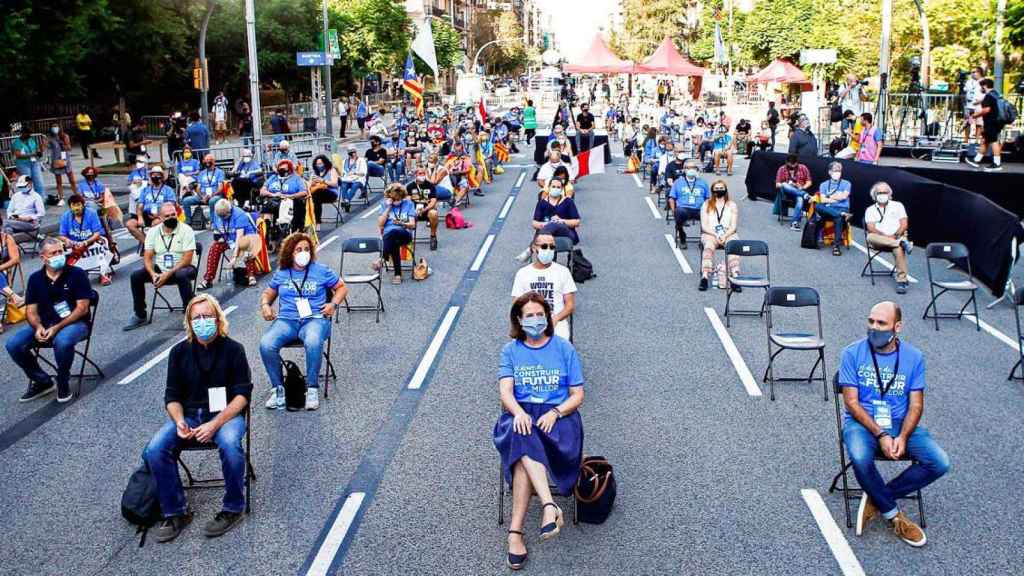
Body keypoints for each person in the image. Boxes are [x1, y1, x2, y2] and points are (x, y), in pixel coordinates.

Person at [143, 293, 253, 542]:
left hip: (224, 416)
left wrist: (215, 423)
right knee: (155, 449)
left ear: (218, 319)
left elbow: (242, 396)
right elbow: (171, 396)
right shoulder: (179, 352)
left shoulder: (234, 350)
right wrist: (179, 420)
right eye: (197, 318)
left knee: (230, 445)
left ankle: (233, 507)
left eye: (207, 316)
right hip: (191, 415)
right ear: (189, 322)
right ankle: (175, 511)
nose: (202, 321)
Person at [839, 301, 949, 547]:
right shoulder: (851, 353)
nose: (874, 328)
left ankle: (876, 496)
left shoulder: (914, 357)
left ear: (897, 327)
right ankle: (894, 515)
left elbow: (916, 405)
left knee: (940, 462)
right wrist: (881, 434)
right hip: (863, 425)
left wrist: (902, 436)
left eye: (881, 323)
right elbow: (852, 403)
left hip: (901, 424)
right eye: (871, 321)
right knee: (858, 454)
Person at [493, 291, 584, 570]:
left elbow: (577, 395)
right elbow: (505, 393)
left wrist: (556, 412)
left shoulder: (564, 348)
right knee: (522, 432)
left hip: (559, 417)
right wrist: (519, 412)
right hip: (522, 414)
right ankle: (548, 505)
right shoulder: (510, 351)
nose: (535, 320)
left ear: (547, 317)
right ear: (519, 321)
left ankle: (516, 533)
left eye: (539, 314)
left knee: (523, 450)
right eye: (529, 316)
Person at [259, 233, 346, 411]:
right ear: (290, 253)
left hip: (314, 319)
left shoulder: (321, 270)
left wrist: (333, 304)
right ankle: (278, 389)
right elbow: (268, 293)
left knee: (313, 341)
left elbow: (341, 287)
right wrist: (265, 305)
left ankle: (312, 388)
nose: (303, 252)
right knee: (266, 344)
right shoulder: (282, 273)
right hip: (287, 320)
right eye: (299, 249)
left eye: (307, 249)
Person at [5, 238, 91, 402]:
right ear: (43, 257)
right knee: (14, 344)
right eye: (53, 253)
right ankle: (42, 380)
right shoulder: (36, 279)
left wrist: (57, 327)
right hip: (45, 323)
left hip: (74, 323)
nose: (59, 255)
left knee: (63, 341)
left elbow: (82, 308)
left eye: (60, 252)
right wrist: (37, 327)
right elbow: (31, 310)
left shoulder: (76, 274)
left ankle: (63, 380)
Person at [124, 203, 198, 331]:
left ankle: (189, 311)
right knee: (136, 276)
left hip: (184, 267)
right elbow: (147, 257)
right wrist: (153, 274)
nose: (171, 218)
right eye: (167, 216)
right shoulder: (153, 232)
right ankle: (140, 314)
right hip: (161, 268)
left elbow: (187, 259)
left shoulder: (186, 230)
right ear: (160, 218)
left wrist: (167, 274)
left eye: (173, 214)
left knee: (181, 274)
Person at [511, 232, 577, 340]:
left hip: (555, 320)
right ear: (534, 248)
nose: (548, 250)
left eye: (552, 247)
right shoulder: (522, 273)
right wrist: (523, 322)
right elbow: (515, 303)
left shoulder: (563, 272)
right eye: (544, 246)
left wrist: (556, 318)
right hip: (530, 320)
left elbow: (570, 305)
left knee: (559, 344)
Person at [201, 199, 261, 290]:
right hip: (228, 238)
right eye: (220, 216)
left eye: (224, 216)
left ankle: (250, 275)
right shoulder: (217, 215)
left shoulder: (239, 214)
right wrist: (219, 237)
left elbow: (239, 238)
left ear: (230, 211)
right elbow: (217, 232)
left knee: (244, 246)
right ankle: (208, 279)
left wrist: (234, 257)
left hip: (245, 238)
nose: (222, 218)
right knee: (215, 247)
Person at [864, 182, 912, 294]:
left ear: (889, 194)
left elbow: (904, 223)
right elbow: (870, 227)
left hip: (897, 236)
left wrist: (895, 235)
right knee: (870, 236)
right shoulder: (870, 209)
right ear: (875, 195)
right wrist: (886, 236)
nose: (882, 194)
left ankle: (902, 281)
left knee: (898, 248)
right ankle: (901, 243)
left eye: (884, 192)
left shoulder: (898, 205)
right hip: (879, 239)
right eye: (879, 193)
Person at [58, 195, 113, 285]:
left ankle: (104, 274)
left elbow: (97, 233)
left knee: (98, 248)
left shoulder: (91, 213)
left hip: (92, 241)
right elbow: (62, 235)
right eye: (73, 205)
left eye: (78, 205)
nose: (76, 208)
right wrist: (68, 241)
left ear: (83, 205)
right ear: (70, 206)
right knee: (61, 250)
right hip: (75, 244)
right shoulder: (65, 216)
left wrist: (86, 242)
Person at [698, 181, 740, 291]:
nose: (719, 190)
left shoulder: (732, 205)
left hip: (728, 233)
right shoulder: (706, 204)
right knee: (708, 247)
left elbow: (733, 226)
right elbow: (704, 225)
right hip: (710, 233)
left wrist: (725, 236)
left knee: (734, 246)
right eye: (717, 188)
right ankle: (705, 277)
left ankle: (735, 276)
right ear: (712, 190)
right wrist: (716, 235)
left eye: (721, 188)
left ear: (725, 190)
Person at [376, 184, 417, 284]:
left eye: (398, 199)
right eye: (394, 199)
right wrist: (389, 207)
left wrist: (401, 223)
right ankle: (397, 274)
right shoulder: (384, 205)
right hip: (389, 237)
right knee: (393, 241)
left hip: (404, 234)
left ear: (402, 197)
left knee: (394, 232)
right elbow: (380, 224)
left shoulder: (409, 204)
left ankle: (382, 258)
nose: (396, 201)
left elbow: (412, 225)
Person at [127, 166, 177, 245]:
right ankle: (147, 244)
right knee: (130, 224)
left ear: (162, 176)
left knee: (155, 224)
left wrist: (159, 214)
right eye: (153, 175)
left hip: (161, 216)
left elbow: (171, 205)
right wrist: (140, 217)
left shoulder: (168, 190)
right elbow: (140, 205)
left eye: (157, 175)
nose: (155, 177)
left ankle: (154, 245)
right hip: (146, 214)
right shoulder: (145, 190)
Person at [965, 78, 1006, 171]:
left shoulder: (988, 96)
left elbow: (986, 110)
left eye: (981, 86)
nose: (980, 89)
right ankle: (976, 160)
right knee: (985, 140)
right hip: (997, 121)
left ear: (985, 86)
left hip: (991, 121)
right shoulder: (996, 94)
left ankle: (997, 163)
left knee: (994, 141)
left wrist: (974, 115)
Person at [668, 159, 710, 249]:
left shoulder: (703, 183)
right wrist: (673, 210)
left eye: (693, 167)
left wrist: (707, 209)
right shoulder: (678, 182)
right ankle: (682, 235)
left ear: (697, 170)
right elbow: (672, 198)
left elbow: (708, 198)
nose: (691, 169)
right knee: (678, 212)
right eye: (688, 168)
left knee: (707, 214)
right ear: (684, 170)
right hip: (684, 209)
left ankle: (703, 238)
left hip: (699, 209)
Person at [813, 162, 853, 256]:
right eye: (835, 170)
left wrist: (829, 197)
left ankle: (836, 246)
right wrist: (836, 197)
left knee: (837, 218)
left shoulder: (847, 183)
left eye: (839, 171)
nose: (837, 173)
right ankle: (841, 215)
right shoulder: (824, 184)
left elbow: (843, 197)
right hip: (828, 209)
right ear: (830, 172)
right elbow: (822, 199)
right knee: (818, 206)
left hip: (842, 208)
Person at [259, 159, 309, 233]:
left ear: (289, 169)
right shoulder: (273, 178)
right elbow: (262, 191)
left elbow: (304, 192)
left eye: (284, 169)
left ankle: (285, 228)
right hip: (274, 199)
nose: (281, 170)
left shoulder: (296, 178)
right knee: (267, 204)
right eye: (280, 168)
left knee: (286, 204)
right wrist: (273, 194)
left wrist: (290, 196)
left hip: (291, 201)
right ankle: (268, 226)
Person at [183, 153, 226, 223]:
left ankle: (213, 222)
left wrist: (211, 195)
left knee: (212, 201)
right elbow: (198, 188)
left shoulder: (219, 172)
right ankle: (188, 221)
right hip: (202, 195)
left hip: (215, 195)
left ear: (214, 161)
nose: (207, 162)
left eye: (209, 160)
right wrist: (202, 197)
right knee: (186, 201)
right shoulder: (202, 173)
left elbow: (220, 188)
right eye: (206, 160)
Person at [775, 153, 813, 231]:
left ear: (797, 162)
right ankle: (805, 195)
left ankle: (794, 223)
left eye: (794, 166)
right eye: (790, 166)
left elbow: (809, 181)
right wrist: (786, 184)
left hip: (799, 190)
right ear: (786, 162)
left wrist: (802, 187)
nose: (792, 167)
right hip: (787, 193)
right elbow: (777, 184)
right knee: (785, 184)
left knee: (800, 199)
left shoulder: (803, 168)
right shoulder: (782, 169)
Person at [406, 168, 440, 250]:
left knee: (434, 214)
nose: (422, 175)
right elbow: (408, 201)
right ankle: (407, 238)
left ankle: (433, 236)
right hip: (414, 211)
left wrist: (425, 209)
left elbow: (433, 201)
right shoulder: (410, 186)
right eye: (420, 173)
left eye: (423, 173)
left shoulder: (430, 185)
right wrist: (413, 211)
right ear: (416, 175)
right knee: (404, 215)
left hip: (426, 210)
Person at [46, 124, 76, 205]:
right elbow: (46, 146)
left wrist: (62, 143)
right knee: (59, 181)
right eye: (53, 127)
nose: (55, 128)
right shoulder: (50, 137)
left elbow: (69, 148)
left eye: (56, 126)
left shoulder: (65, 136)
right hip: (56, 160)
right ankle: (61, 196)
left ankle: (76, 194)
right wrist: (45, 141)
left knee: (72, 179)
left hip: (65, 159)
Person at [12, 126, 46, 197]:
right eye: (27, 133)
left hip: (34, 162)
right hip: (23, 164)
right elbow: (18, 155)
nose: (29, 135)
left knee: (39, 181)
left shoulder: (31, 140)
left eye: (30, 133)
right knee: (27, 182)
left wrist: (40, 151)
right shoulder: (17, 142)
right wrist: (33, 154)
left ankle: (41, 198)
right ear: (22, 133)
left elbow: (35, 150)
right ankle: (27, 199)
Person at [308, 154, 340, 225]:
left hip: (331, 194)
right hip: (317, 196)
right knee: (313, 197)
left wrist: (323, 181)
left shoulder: (331, 170)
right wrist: (312, 183)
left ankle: (317, 222)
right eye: (317, 164)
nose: (319, 166)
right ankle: (314, 221)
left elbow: (335, 183)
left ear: (325, 163)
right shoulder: (314, 173)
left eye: (320, 164)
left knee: (317, 193)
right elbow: (308, 186)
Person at [339, 145, 367, 211]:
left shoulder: (361, 160)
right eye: (351, 152)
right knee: (343, 185)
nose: (353, 154)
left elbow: (363, 173)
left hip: (358, 179)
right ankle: (347, 202)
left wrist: (354, 173)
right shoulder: (344, 161)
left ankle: (346, 201)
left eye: (354, 152)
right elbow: (342, 173)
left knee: (355, 185)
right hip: (347, 179)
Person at [962, 67, 984, 141]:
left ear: (979, 72)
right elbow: (965, 90)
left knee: (978, 123)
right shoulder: (969, 81)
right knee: (967, 122)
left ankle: (977, 140)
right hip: (969, 105)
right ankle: (966, 139)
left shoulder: (984, 81)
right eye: (971, 72)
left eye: (974, 72)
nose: (972, 73)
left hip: (979, 105)